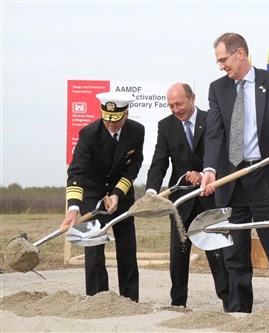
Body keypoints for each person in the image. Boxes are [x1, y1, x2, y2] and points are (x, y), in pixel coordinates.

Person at [200, 32, 269, 321]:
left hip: (266, 177)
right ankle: (239, 315)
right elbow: (214, 134)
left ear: (240, 54)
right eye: (218, 61)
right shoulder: (217, 89)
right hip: (232, 182)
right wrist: (210, 169)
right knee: (234, 255)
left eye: (224, 60)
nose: (222, 66)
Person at [145, 83, 229, 310]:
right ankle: (178, 302)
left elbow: (222, 154)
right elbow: (159, 162)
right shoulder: (166, 126)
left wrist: (203, 174)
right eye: (171, 105)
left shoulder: (212, 118)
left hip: (210, 197)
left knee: (217, 250)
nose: (175, 109)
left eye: (179, 103)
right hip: (181, 201)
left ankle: (228, 300)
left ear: (192, 97)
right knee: (179, 254)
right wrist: (152, 192)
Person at [61, 92, 144, 302]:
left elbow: (134, 166)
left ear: (125, 114)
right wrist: (73, 209)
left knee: (126, 247)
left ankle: (129, 300)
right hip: (93, 192)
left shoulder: (136, 131)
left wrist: (117, 194)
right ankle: (97, 300)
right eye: (107, 119)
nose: (111, 124)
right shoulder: (89, 134)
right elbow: (77, 172)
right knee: (94, 248)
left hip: (122, 195)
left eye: (116, 120)